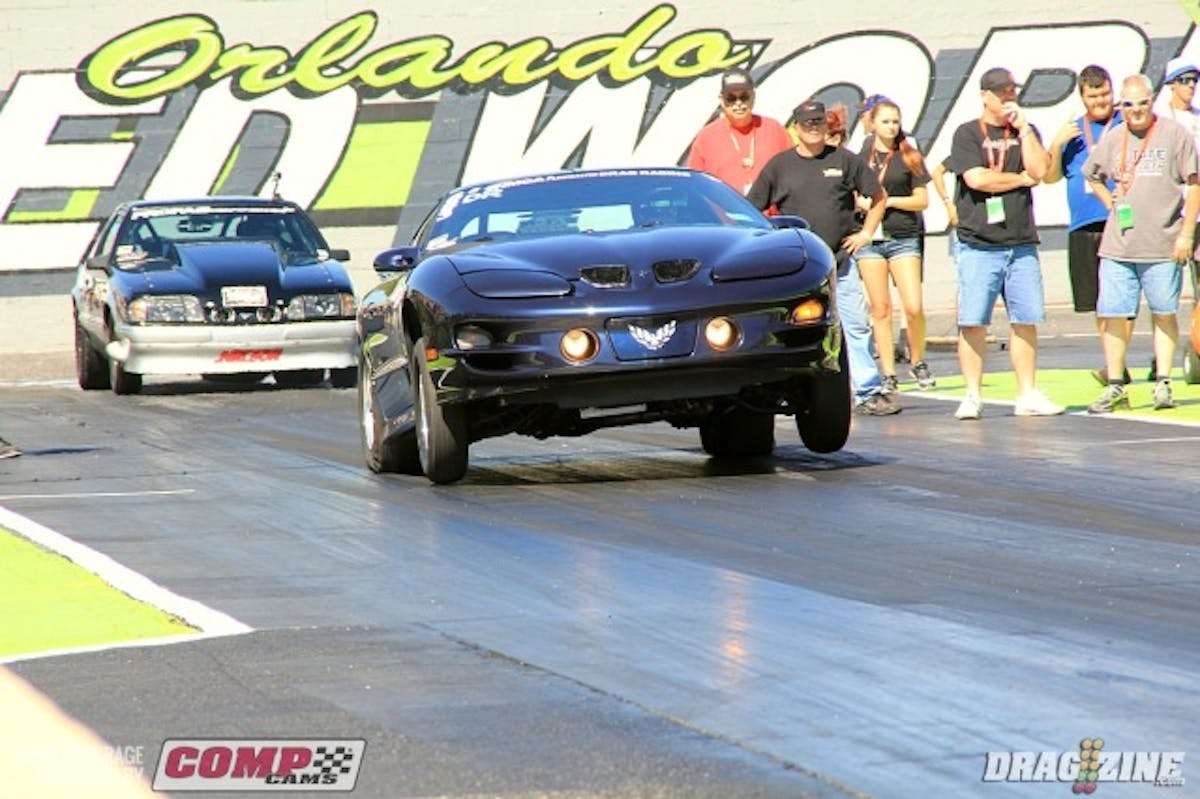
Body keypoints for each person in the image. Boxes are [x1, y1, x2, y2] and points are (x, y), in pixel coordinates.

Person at [748, 99, 899, 416]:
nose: (813, 128)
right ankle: (794, 390)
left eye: (818, 122)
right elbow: (751, 210)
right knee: (795, 330)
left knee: (856, 326)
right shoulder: (779, 166)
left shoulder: (845, 160)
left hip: (839, 262)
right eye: (807, 123)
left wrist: (866, 233)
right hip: (797, 270)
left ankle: (867, 392)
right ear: (796, 128)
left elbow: (878, 197)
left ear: (826, 126)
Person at [944, 67, 1064, 420]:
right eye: (1002, 93)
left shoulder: (1024, 131)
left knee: (1025, 319)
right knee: (973, 321)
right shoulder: (967, 134)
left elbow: (1040, 172)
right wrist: (1018, 180)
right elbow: (977, 179)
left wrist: (1025, 130)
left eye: (1012, 92)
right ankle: (972, 394)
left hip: (1021, 240)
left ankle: (1027, 393)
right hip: (979, 242)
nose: (1009, 98)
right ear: (985, 96)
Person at [1082, 73, 1200, 413]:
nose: (1136, 110)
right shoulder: (1114, 137)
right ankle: (1117, 384)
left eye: (1143, 103)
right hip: (1119, 245)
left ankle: (1163, 381)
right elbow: (1091, 174)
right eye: (1129, 104)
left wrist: (1187, 233)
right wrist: (1111, 203)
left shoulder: (1173, 134)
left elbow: (1193, 184)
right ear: (1122, 105)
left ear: (1152, 101)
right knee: (1114, 314)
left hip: (1163, 241)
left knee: (1163, 312)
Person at [1044, 65, 1129, 384]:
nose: (1101, 100)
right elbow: (1049, 177)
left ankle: (1117, 365)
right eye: (1093, 95)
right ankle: (1113, 362)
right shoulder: (1074, 132)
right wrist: (1056, 144)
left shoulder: (1124, 122)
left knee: (1123, 296)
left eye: (1105, 93)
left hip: (1119, 219)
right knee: (1098, 300)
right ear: (1082, 97)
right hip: (1083, 224)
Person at [855, 99, 935, 392]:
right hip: (871, 238)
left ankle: (917, 361)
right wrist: (861, 202)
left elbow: (922, 199)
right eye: (886, 121)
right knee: (880, 308)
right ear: (872, 123)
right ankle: (888, 372)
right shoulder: (860, 156)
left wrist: (888, 201)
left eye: (895, 122)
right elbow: (851, 193)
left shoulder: (909, 154)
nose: (891, 127)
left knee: (913, 306)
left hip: (902, 236)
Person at [686, 67, 793, 195]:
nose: (738, 103)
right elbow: (695, 186)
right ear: (721, 100)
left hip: (768, 215)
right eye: (731, 98)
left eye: (744, 97)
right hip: (723, 214)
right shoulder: (706, 137)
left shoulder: (774, 129)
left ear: (753, 97)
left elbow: (793, 174)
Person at [1153, 57, 1199, 148]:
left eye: (1194, 80)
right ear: (1171, 83)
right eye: (1185, 80)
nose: (1191, 85)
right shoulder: (1160, 118)